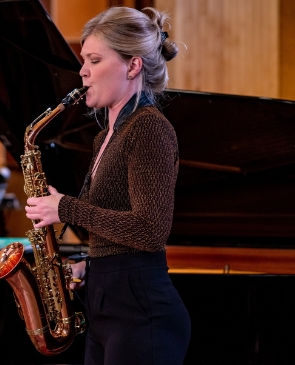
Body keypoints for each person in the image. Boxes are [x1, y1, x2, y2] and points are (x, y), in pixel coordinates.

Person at [25, 6, 191, 365]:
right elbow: (115, 221)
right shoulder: (106, 136)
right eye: (84, 59)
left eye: (95, 60)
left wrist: (64, 208)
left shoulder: (149, 128)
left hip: (141, 316)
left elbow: (150, 231)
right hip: (109, 307)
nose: (82, 71)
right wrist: (92, 264)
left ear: (133, 66)